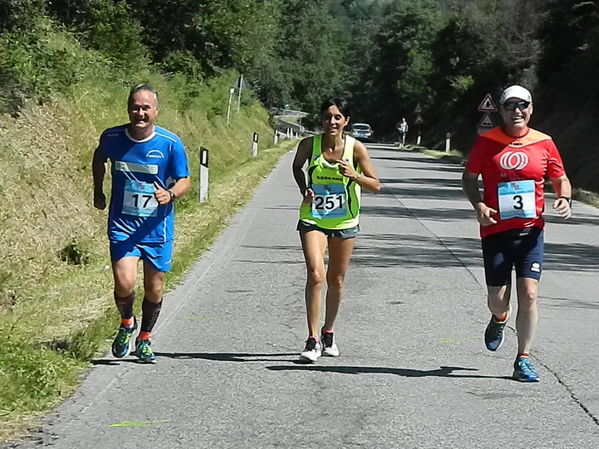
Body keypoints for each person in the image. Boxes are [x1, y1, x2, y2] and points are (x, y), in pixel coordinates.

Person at [462, 85, 572, 382]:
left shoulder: (544, 142)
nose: (517, 111)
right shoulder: (487, 142)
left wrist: (564, 197)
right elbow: (470, 178)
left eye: (523, 105)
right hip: (495, 232)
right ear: (501, 110)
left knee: (530, 293)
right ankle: (499, 318)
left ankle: (523, 358)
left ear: (531, 109)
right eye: (510, 106)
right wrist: (479, 205)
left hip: (530, 233)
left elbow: (560, 178)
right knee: (498, 300)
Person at [92, 84, 191, 363]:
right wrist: (98, 190)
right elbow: (99, 157)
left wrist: (170, 194)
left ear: (156, 111)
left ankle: (145, 339)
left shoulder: (170, 144)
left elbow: (185, 180)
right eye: (136, 107)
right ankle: (126, 323)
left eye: (146, 108)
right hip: (123, 225)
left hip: (156, 228)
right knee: (124, 283)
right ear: (128, 108)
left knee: (154, 288)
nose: (140, 112)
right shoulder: (111, 137)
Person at [292, 98, 381, 362]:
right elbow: (297, 166)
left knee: (336, 280)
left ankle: (328, 331)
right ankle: (312, 339)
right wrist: (304, 188)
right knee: (315, 274)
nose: (331, 122)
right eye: (327, 117)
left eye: (337, 117)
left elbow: (375, 185)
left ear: (346, 121)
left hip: (344, 222)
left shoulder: (356, 148)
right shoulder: (310, 145)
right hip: (313, 217)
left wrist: (354, 175)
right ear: (321, 119)